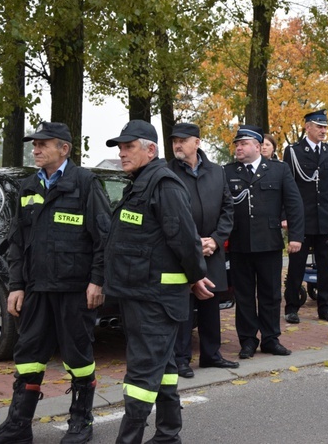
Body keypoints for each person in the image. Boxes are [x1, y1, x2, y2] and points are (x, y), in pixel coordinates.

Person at [0, 122, 111, 444]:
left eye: (43, 144)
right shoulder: (28, 187)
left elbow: (104, 237)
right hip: (37, 290)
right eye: (34, 144)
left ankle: (81, 421)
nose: (35, 149)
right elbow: (18, 242)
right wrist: (17, 285)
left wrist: (97, 282)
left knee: (78, 358)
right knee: (28, 356)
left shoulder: (86, 183)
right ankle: (18, 426)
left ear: (64, 149)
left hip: (74, 290)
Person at [103, 120, 213, 444]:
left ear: (150, 150)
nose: (122, 153)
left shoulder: (163, 185)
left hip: (155, 299)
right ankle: (168, 435)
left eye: (128, 147)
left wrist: (196, 277)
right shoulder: (140, 182)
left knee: (140, 375)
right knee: (163, 369)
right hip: (141, 294)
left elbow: (186, 240)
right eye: (120, 148)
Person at [224, 124, 305, 358]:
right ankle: (248, 340)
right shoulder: (228, 172)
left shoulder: (278, 170)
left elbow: (294, 204)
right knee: (244, 295)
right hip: (240, 244)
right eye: (237, 144)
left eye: (243, 143)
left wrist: (296, 237)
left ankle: (271, 338)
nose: (238, 147)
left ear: (258, 146)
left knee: (270, 294)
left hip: (269, 243)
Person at [168, 123, 239, 379]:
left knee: (211, 302)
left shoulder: (217, 172)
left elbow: (228, 209)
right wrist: (192, 242)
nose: (177, 144)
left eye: (183, 140)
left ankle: (211, 355)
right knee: (184, 305)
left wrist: (217, 240)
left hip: (212, 250)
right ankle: (180, 359)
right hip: (181, 252)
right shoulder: (168, 172)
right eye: (174, 140)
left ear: (196, 142)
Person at [283, 109, 328, 324]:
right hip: (302, 219)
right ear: (308, 127)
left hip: (325, 219)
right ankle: (291, 307)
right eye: (319, 126)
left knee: (325, 265)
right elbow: (286, 188)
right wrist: (286, 216)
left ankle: (325, 307)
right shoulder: (294, 152)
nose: (323, 130)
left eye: (325, 127)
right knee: (297, 265)